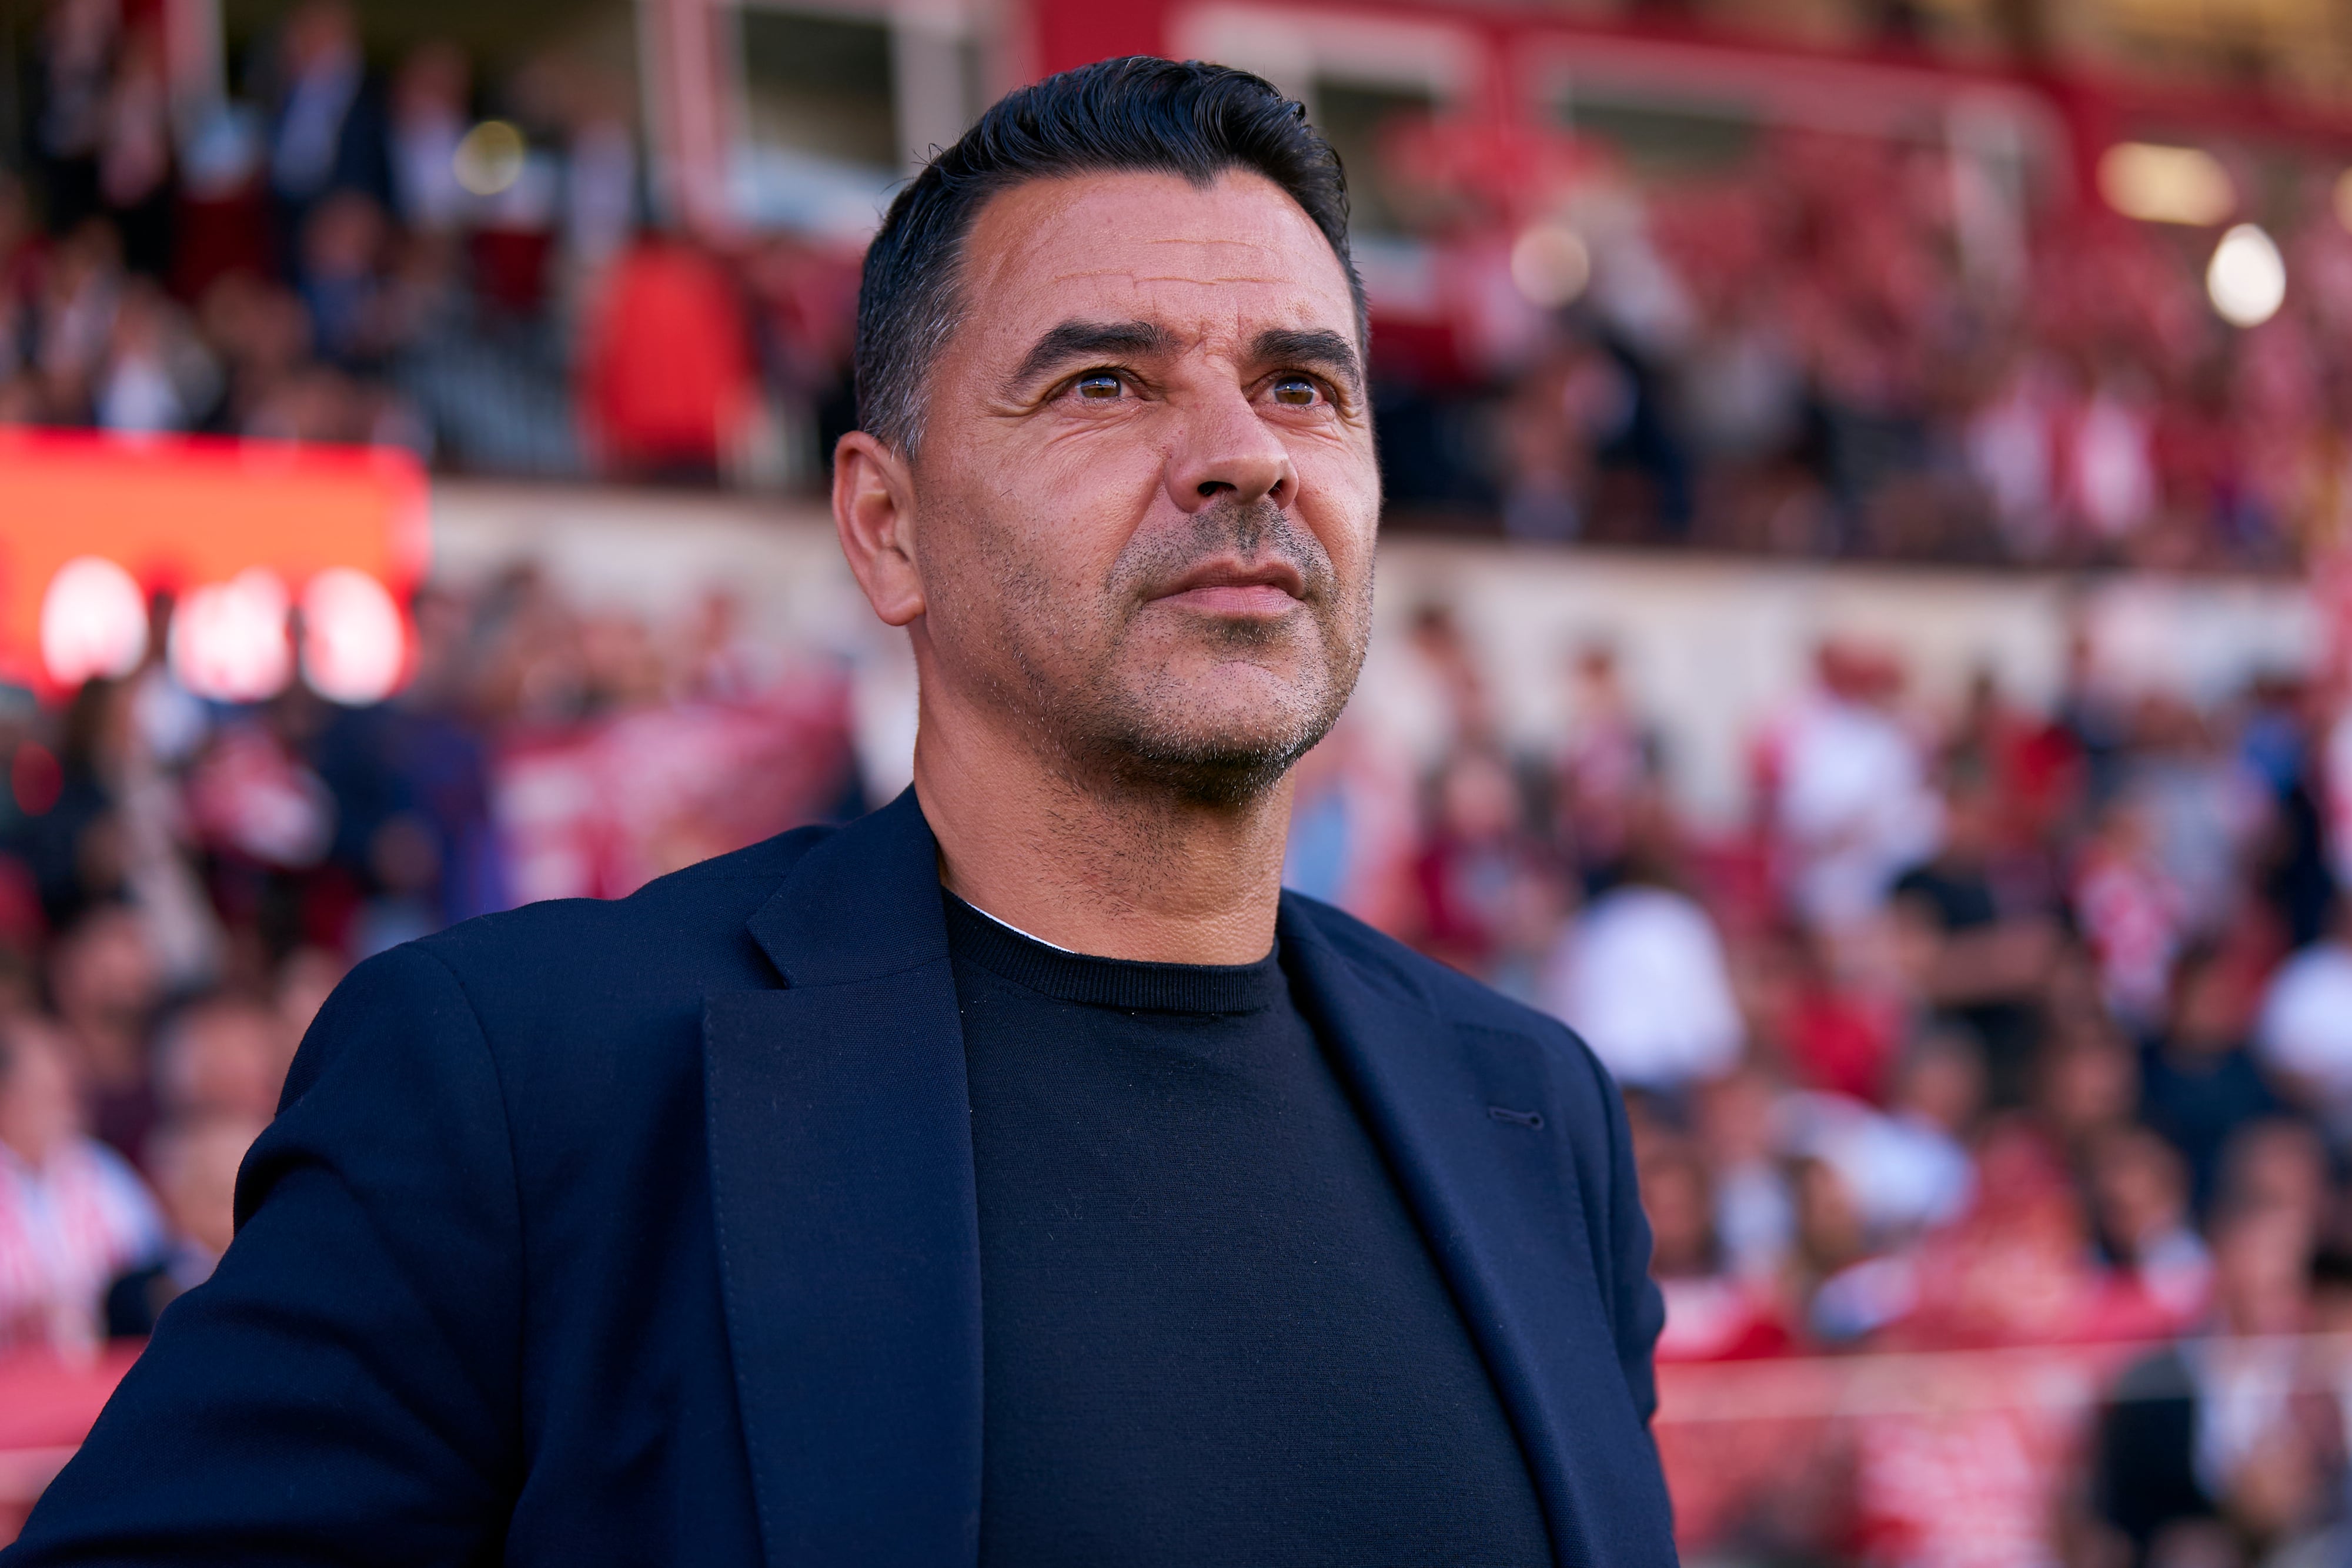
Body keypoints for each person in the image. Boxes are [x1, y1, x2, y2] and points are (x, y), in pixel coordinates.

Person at [7, 60, 1675, 1566]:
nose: (1244, 454)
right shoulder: (526, 1091)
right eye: (1106, 383)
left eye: (1306, 385)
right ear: (886, 528)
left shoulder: (1537, 1117)